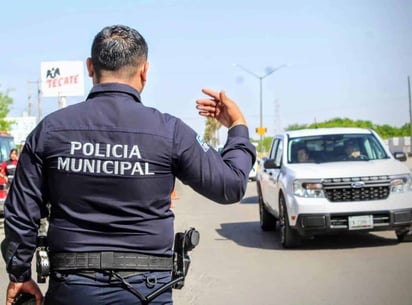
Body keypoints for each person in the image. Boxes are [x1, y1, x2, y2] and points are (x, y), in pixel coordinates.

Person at [1, 25, 256, 305]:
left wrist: (20, 274)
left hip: (72, 289)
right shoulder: (170, 131)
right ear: (144, 70)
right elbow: (230, 186)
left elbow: (20, 212)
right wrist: (238, 127)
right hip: (148, 291)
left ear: (90, 67)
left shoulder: (50, 130)